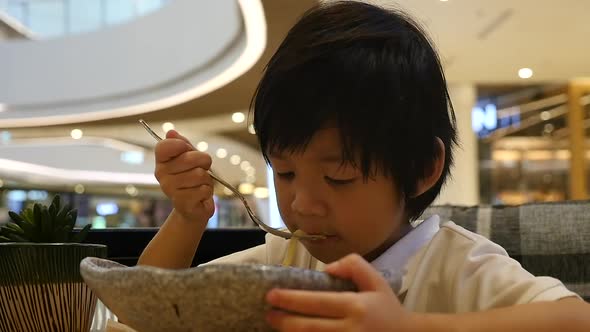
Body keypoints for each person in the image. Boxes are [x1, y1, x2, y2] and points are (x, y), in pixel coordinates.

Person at [138, 1, 589, 331]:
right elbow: (146, 306)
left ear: (421, 169)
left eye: (339, 177)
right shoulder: (289, 257)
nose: (302, 204)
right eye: (286, 172)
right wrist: (188, 217)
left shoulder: (459, 266)